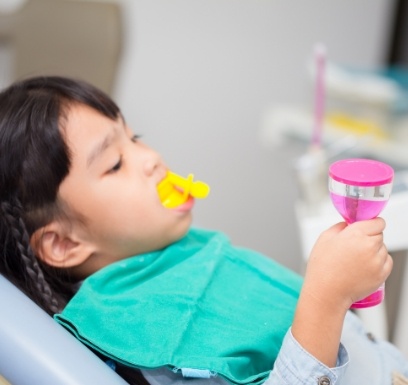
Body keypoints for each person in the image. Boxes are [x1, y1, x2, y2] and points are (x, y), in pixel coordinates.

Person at [0, 75, 406, 385]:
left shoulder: (177, 255)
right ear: (64, 242)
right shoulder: (148, 338)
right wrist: (326, 298)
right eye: (115, 164)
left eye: (135, 137)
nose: (152, 158)